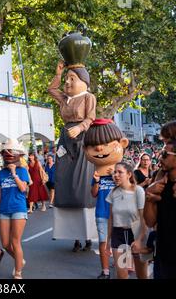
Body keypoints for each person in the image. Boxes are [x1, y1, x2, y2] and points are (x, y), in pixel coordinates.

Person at [48, 60, 97, 251]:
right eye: (67, 79)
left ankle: (88, 236)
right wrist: (59, 73)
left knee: (81, 187)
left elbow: (90, 118)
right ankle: (74, 236)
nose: (67, 83)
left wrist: (80, 128)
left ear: (84, 82)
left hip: (82, 138)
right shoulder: (64, 99)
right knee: (66, 184)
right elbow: (51, 89)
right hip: (66, 139)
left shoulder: (88, 97)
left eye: (72, 78)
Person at [84, 119, 129, 279]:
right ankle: (105, 271)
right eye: (93, 145)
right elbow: (94, 193)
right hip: (102, 213)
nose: (98, 148)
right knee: (104, 242)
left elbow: (127, 189)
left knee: (123, 243)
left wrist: (114, 175)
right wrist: (96, 181)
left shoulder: (122, 171)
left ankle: (124, 268)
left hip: (121, 214)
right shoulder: (97, 174)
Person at [106, 162, 148, 279]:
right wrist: (108, 241)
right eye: (115, 172)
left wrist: (139, 239)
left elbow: (143, 218)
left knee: (141, 275)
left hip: (136, 234)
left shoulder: (138, 191)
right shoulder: (113, 192)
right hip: (118, 235)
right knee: (122, 275)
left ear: (129, 174)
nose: (116, 175)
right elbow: (111, 218)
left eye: (120, 172)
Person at [0, 139, 29, 279]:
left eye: (12, 152)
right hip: (3, 210)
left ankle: (18, 272)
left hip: (18, 209)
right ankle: (20, 261)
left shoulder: (22, 171)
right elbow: (0, 193)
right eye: (6, 152)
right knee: (5, 244)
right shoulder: (1, 173)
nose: (9, 154)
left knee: (15, 242)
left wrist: (14, 173)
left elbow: (23, 189)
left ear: (18, 155)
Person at [144, 140, 176, 278]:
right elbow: (150, 222)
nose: (159, 157)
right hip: (163, 255)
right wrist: (149, 196)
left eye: (164, 154)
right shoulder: (160, 183)